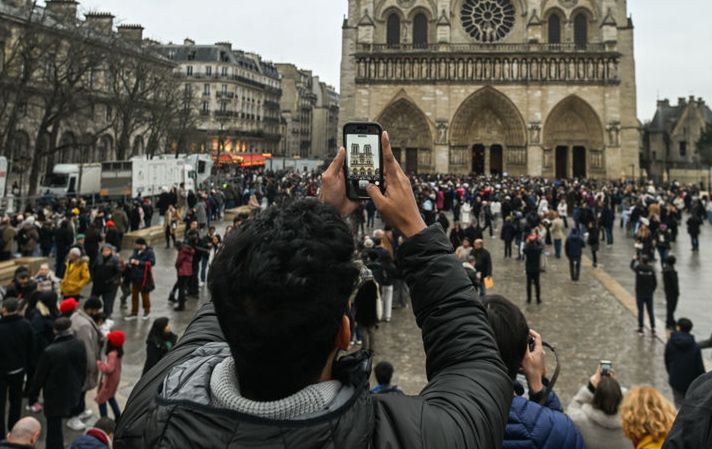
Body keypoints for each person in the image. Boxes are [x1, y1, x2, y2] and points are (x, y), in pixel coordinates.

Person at [115, 133, 512, 449]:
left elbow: (231, 300)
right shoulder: (408, 437)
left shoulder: (149, 408)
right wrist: (415, 228)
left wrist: (319, 219)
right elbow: (476, 366)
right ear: (345, 332)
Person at [482, 295, 584, 449]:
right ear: (524, 356)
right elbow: (556, 435)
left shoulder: (436, 412)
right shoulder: (558, 429)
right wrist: (538, 385)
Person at [28, 317, 86, 449]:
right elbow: (83, 367)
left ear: (55, 331)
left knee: (53, 427)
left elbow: (39, 377)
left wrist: (33, 395)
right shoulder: (79, 343)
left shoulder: (50, 351)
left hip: (54, 395)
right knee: (59, 423)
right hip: (73, 389)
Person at [566, 367, 631, 449]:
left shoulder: (580, 421)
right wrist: (612, 385)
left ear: (596, 397)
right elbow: (631, 399)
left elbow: (573, 406)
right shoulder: (632, 426)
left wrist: (590, 387)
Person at [69, 298, 104, 431]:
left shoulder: (76, 315)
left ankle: (80, 410)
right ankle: (74, 416)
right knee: (80, 390)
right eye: (96, 310)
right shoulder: (84, 325)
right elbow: (88, 347)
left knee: (81, 391)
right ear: (91, 310)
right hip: (83, 363)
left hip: (77, 362)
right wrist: (92, 366)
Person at [0, 298, 34, 438]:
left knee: (0, 404)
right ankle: (13, 430)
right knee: (16, 401)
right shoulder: (26, 325)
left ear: (4, 309)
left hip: (1, 372)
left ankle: (1, 435)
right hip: (19, 370)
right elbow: (31, 347)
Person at [26, 291, 59, 414]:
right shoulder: (38, 316)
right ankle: (31, 401)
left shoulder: (50, 311)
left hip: (47, 351)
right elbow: (35, 336)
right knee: (35, 377)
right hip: (39, 353)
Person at [664, 318, 705, 408]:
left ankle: (677, 419)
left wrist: (671, 373)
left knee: (677, 402)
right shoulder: (695, 346)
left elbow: (667, 360)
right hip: (690, 381)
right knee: (689, 404)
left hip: (675, 378)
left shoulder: (671, 342)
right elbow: (699, 366)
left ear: (678, 327)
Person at [95, 331, 124, 420]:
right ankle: (118, 416)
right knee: (111, 397)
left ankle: (104, 419)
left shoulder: (112, 355)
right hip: (115, 379)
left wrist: (99, 363)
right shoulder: (118, 353)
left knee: (101, 400)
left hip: (109, 382)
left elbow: (109, 369)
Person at [125, 238, 155, 321]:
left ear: (142, 245)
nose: (135, 246)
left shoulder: (149, 252)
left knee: (145, 295)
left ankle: (147, 311)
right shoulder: (136, 251)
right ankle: (134, 312)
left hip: (144, 277)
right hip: (134, 276)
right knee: (134, 295)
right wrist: (131, 261)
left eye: (137, 244)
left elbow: (152, 262)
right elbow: (131, 257)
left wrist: (139, 263)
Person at [353, 265, 380, 352]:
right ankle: (372, 348)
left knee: (363, 330)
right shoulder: (374, 285)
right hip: (372, 312)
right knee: (371, 331)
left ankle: (364, 347)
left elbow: (357, 300)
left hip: (362, 313)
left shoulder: (362, 286)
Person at [630, 255, 657, 336]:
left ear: (641, 260)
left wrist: (633, 259)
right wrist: (652, 291)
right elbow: (655, 282)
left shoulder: (639, 268)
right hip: (649, 293)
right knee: (650, 311)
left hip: (640, 292)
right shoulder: (651, 269)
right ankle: (653, 328)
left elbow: (631, 267)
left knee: (641, 311)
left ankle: (641, 328)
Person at [91, 244, 121, 318]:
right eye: (104, 250)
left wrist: (112, 281)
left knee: (108, 303)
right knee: (93, 300)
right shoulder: (98, 258)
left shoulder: (115, 260)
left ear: (111, 251)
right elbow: (93, 268)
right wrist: (94, 278)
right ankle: (93, 314)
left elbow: (118, 273)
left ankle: (107, 316)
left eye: (107, 250)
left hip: (109, 286)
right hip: (97, 284)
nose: (105, 252)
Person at [170, 237, 194, 312]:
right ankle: (182, 304)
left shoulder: (182, 251)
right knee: (183, 288)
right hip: (188, 271)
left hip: (182, 271)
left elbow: (178, 262)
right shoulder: (189, 250)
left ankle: (181, 305)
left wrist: (176, 266)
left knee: (181, 289)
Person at [523, 233, 544, 304]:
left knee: (528, 284)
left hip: (529, 268)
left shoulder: (527, 248)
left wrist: (528, 242)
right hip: (536, 269)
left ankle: (529, 299)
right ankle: (538, 299)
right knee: (537, 284)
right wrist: (538, 241)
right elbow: (542, 247)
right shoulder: (537, 249)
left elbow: (524, 249)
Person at [662, 256, 680, 330]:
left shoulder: (666, 269)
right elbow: (674, 283)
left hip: (668, 291)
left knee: (670, 307)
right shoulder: (671, 271)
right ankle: (670, 322)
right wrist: (677, 291)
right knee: (671, 307)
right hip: (672, 292)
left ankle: (670, 320)